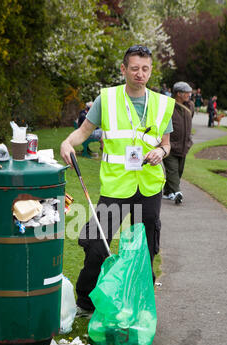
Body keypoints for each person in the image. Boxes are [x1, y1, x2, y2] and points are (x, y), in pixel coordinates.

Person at [60, 45, 175, 317]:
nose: (140, 74)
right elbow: (84, 131)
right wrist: (67, 142)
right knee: (96, 244)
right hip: (116, 185)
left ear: (150, 70)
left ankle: (137, 302)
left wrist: (160, 151)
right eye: (134, 68)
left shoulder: (162, 104)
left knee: (145, 249)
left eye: (145, 69)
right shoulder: (107, 99)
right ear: (123, 69)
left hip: (148, 187)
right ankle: (85, 303)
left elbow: (167, 145)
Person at [162, 81, 194, 204]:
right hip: (170, 145)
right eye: (187, 92)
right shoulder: (168, 106)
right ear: (179, 94)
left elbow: (190, 119)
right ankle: (177, 192)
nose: (189, 95)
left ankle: (168, 192)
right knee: (172, 170)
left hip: (184, 146)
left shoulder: (190, 106)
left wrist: (189, 141)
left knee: (179, 171)